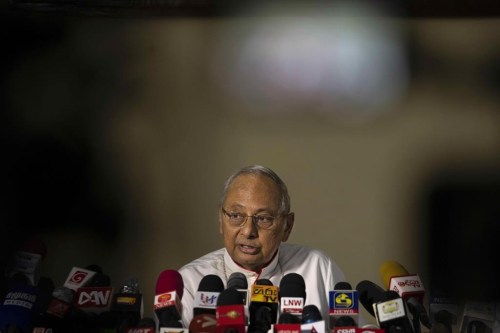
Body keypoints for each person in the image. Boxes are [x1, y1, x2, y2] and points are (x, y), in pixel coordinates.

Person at [178, 165, 348, 328]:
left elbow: (351, 326)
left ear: (287, 226)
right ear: (221, 220)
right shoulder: (190, 281)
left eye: (264, 218)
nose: (248, 231)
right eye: (236, 215)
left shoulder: (317, 268)